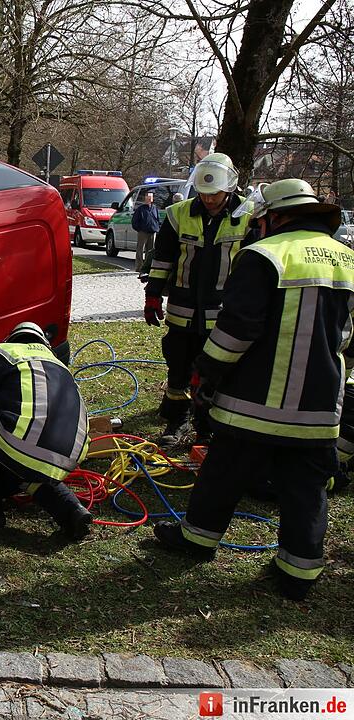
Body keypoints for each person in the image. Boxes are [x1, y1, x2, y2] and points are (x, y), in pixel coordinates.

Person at [152, 179, 354, 601]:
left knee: (224, 471)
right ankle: (299, 572)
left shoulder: (264, 256)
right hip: (318, 408)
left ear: (274, 218)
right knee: (306, 488)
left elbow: (237, 330)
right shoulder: (347, 260)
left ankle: (198, 540)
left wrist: (205, 372)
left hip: (254, 401)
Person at [143, 153, 254, 447]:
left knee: (216, 372)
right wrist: (152, 295)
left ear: (229, 187)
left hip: (223, 313)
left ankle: (208, 428)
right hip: (183, 311)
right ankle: (176, 420)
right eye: (203, 193)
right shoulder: (178, 213)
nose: (207, 199)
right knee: (178, 369)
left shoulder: (249, 216)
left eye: (214, 193)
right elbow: (163, 259)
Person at [0, 322, 92, 539]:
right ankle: (71, 511)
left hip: (26, 443)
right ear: (44, 343)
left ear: (11, 338)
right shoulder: (58, 364)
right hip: (71, 453)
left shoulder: (7, 353)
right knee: (25, 460)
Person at [131, 191, 161, 272]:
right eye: (148, 197)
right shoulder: (140, 209)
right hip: (143, 232)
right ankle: (139, 267)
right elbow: (134, 221)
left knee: (150, 250)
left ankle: (148, 267)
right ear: (145, 198)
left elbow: (157, 219)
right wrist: (139, 229)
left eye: (151, 197)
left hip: (152, 231)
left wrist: (157, 228)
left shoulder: (155, 208)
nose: (149, 199)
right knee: (140, 249)